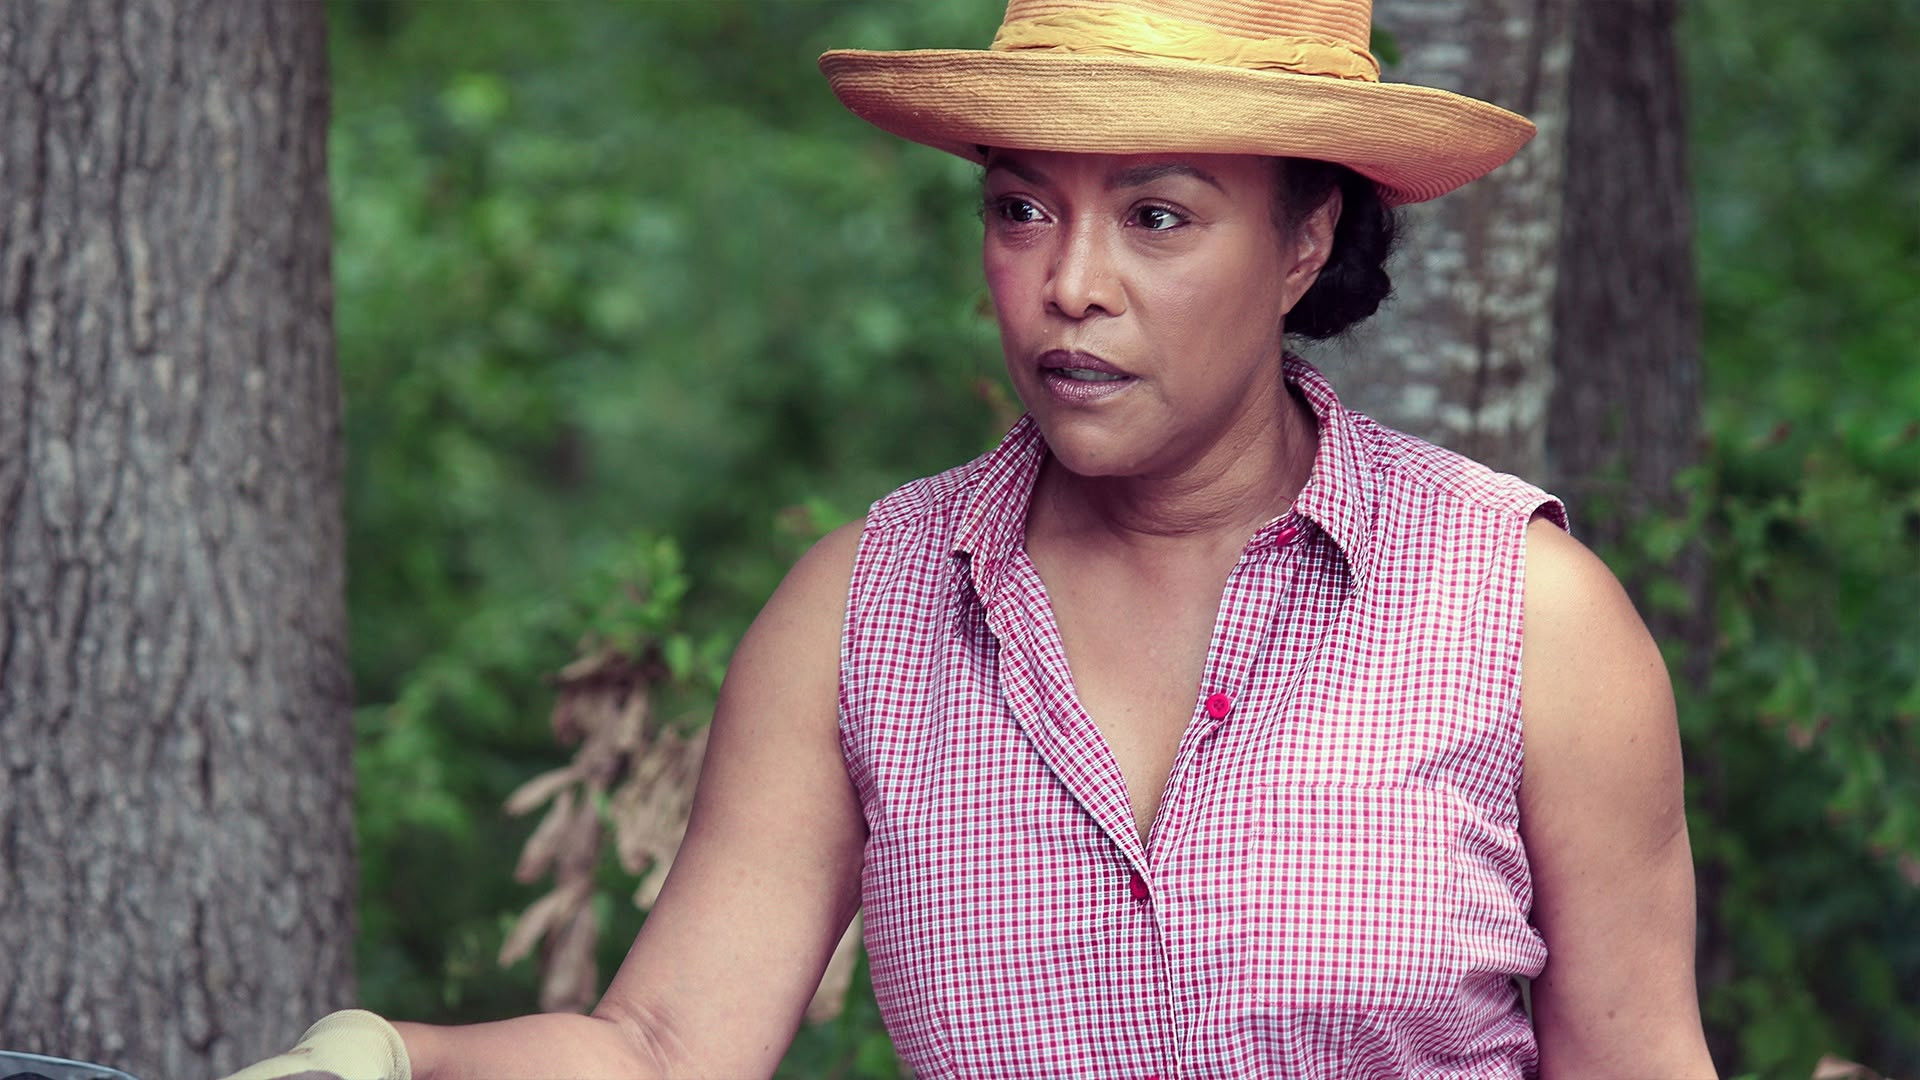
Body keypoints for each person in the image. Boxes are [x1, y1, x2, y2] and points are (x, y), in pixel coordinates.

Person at [227, 1, 1719, 1077]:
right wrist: (388, 1055)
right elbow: (666, 1047)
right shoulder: (867, 610)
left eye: (1158, 217)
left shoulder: (1521, 614)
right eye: (1021, 209)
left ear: (1304, 240)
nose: (1071, 284)